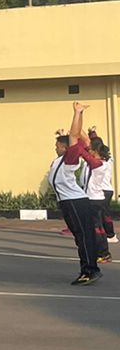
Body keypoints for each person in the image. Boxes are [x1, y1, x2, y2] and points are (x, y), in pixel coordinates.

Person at [50, 103, 103, 285]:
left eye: (58, 146)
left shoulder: (70, 160)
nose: (55, 148)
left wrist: (77, 113)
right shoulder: (59, 160)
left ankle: (90, 270)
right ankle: (87, 268)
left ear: (65, 148)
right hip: (68, 202)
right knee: (80, 237)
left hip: (75, 202)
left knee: (84, 236)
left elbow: (74, 135)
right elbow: (76, 135)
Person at [89, 132, 113, 264]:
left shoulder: (100, 164)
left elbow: (85, 153)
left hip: (98, 196)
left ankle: (104, 252)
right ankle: (100, 250)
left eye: (90, 149)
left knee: (98, 225)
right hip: (94, 196)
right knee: (97, 224)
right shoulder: (96, 162)